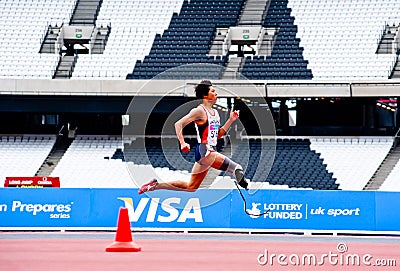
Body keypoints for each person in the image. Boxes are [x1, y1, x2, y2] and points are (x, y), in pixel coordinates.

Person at [138, 80, 248, 194]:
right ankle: (247, 187)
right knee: (236, 168)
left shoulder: (215, 112)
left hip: (209, 151)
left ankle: (155, 185)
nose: (216, 94)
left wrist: (231, 120)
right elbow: (178, 124)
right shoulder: (199, 111)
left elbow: (218, 134)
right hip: (205, 150)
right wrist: (182, 142)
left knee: (191, 187)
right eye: (213, 91)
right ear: (205, 95)